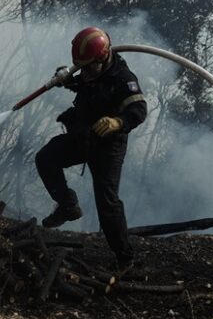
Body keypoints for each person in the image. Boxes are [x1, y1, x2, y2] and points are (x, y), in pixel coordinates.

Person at [35, 26, 147, 273]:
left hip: (108, 146)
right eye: (81, 67)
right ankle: (67, 204)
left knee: (107, 202)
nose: (84, 72)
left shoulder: (124, 79)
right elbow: (86, 85)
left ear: (104, 56)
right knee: (46, 158)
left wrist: (118, 122)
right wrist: (65, 80)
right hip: (82, 136)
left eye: (88, 67)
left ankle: (124, 258)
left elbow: (139, 111)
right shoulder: (90, 68)